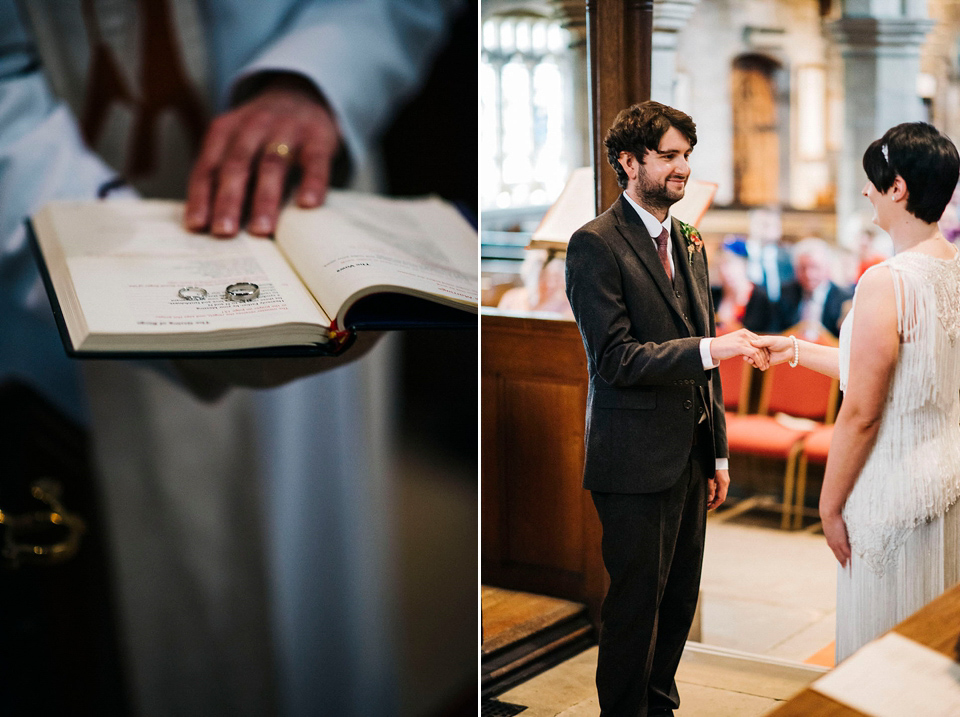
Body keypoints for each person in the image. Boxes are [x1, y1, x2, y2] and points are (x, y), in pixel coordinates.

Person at [0, 2, 461, 715]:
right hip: (61, 224)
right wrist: (105, 244)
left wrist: (313, 77)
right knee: (106, 613)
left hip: (304, 217)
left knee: (303, 593)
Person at [564, 101, 769, 717]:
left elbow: (699, 334)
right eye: (669, 156)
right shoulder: (595, 244)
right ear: (629, 162)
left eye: (686, 155)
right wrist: (713, 348)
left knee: (679, 600)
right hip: (632, 460)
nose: (683, 169)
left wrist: (719, 450)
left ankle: (660, 707)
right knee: (635, 608)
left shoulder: (688, 239)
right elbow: (617, 360)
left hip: (689, 453)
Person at [753, 121, 960, 662]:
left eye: (874, 179)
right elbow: (896, 369)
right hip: (949, 480)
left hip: (890, 487)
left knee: (882, 655)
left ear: (898, 189)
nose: (866, 190)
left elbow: (864, 410)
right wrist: (795, 350)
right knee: (933, 647)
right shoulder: (954, 270)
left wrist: (828, 503)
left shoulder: (884, 281)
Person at [775, 237, 853, 338]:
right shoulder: (785, 293)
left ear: (827, 267)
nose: (808, 274)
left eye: (815, 267)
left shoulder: (844, 298)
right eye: (802, 268)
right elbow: (776, 331)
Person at [711, 238, 775, 332]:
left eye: (729, 263)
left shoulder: (760, 298)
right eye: (720, 264)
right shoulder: (712, 295)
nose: (724, 271)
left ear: (745, 264)